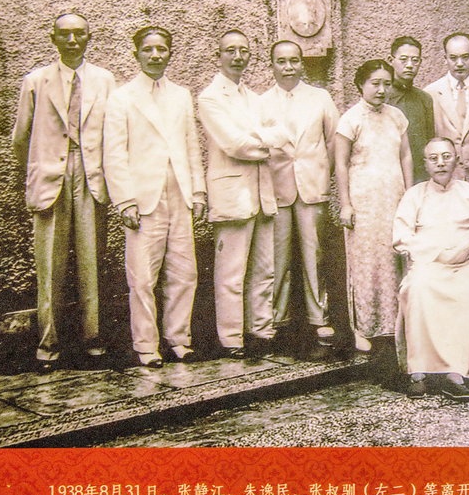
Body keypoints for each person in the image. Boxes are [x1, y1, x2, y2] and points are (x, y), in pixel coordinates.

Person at [12, 12, 116, 372]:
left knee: (91, 262)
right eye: (65, 34)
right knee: (49, 266)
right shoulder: (36, 81)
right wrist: (40, 169)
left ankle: (93, 340)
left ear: (89, 37)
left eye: (79, 34)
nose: (72, 40)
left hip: (91, 176)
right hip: (51, 177)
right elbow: (20, 138)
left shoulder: (104, 80)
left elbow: (112, 132)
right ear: (53, 38)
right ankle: (48, 345)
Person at [103, 26, 206, 368]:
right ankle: (147, 345)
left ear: (170, 53)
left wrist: (198, 191)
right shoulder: (122, 97)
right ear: (136, 54)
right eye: (148, 49)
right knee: (143, 275)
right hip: (143, 197)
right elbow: (114, 153)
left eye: (162, 49)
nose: (155, 55)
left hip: (179, 192)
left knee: (184, 271)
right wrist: (125, 200)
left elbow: (191, 146)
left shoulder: (181, 95)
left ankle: (179, 339)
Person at [393, 137, 469, 401]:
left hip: (467, 263)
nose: (440, 163)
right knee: (418, 288)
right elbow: (401, 236)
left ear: (456, 159)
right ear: (425, 164)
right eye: (433, 158)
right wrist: (436, 253)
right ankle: (419, 372)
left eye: (446, 156)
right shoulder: (414, 195)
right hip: (429, 263)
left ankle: (456, 374)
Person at [197, 30, 277, 358]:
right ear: (218, 56)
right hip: (232, 193)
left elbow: (275, 136)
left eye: (243, 50)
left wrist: (260, 141)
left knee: (264, 268)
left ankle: (262, 331)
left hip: (262, 192)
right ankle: (231, 339)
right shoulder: (210, 98)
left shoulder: (256, 99)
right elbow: (234, 144)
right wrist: (267, 143)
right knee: (231, 272)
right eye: (230, 50)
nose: (238, 56)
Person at [258, 40, 340, 357]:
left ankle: (320, 318)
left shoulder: (320, 98)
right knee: (276, 256)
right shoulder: (261, 102)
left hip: (311, 186)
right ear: (272, 65)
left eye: (294, 60)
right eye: (281, 61)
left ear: (302, 64)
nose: (288, 67)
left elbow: (333, 141)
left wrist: (323, 173)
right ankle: (277, 319)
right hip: (277, 188)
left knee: (314, 254)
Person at [335, 59, 413, 359]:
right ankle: (363, 329)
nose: (381, 90)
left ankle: (394, 324)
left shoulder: (397, 117)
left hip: (394, 199)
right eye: (375, 83)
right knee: (367, 264)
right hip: (364, 202)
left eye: (386, 84)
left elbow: (405, 156)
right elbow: (341, 164)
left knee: (394, 259)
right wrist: (346, 203)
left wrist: (410, 195)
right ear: (361, 85)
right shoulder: (350, 119)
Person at [423, 32, 469, 184]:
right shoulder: (431, 93)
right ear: (445, 58)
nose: (459, 63)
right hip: (447, 181)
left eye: (465, 57)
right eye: (453, 58)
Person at [386, 36, 435, 184]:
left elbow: (429, 142)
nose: (409, 65)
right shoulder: (382, 98)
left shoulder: (424, 99)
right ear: (390, 60)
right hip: (390, 176)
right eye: (403, 59)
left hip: (420, 178)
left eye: (415, 60)